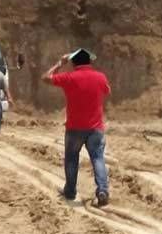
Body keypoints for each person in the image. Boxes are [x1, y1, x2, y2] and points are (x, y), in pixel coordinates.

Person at [42, 48, 111, 207]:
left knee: (72, 159)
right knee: (98, 158)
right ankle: (102, 191)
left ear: (73, 62)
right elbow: (107, 91)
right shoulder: (100, 77)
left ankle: (70, 191)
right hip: (95, 127)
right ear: (90, 61)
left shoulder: (70, 77)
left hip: (74, 127)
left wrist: (60, 63)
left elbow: (45, 77)